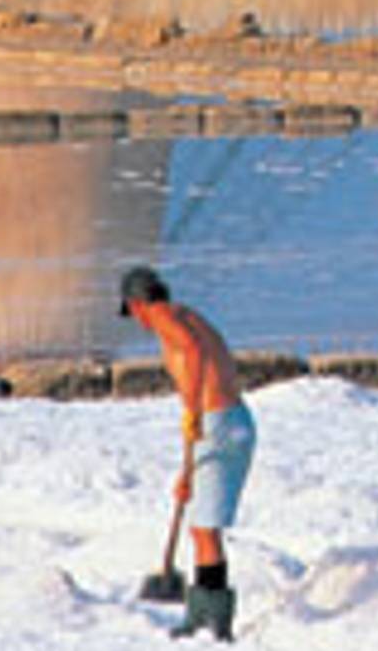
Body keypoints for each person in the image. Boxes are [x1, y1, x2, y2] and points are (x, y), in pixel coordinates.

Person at [122, 266, 254, 642]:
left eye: (132, 312)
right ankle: (201, 613)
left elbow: (194, 353)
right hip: (233, 420)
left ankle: (214, 622)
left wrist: (192, 411)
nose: (137, 321)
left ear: (137, 304)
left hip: (216, 423)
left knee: (203, 529)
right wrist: (188, 472)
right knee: (201, 522)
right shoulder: (187, 314)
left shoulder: (164, 317)